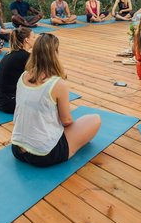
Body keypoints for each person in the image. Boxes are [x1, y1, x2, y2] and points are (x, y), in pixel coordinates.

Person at [10, 33, 101, 167]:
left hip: (17, 149)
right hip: (44, 155)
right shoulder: (57, 84)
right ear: (55, 54)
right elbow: (67, 121)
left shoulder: (23, 76)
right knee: (95, 119)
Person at [0, 27, 35, 113]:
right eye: (33, 37)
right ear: (26, 40)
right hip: (9, 103)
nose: (35, 39)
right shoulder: (25, 56)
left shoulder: (9, 54)